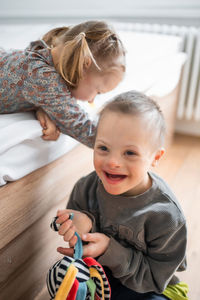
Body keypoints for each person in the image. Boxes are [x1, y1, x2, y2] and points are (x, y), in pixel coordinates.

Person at [54, 90, 188, 300]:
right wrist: (77, 226)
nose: (113, 162)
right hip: (100, 278)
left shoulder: (167, 216)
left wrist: (109, 249)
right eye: (104, 148)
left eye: (130, 153)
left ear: (155, 157)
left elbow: (155, 278)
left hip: (149, 288)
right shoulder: (86, 188)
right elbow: (80, 251)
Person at [0, 20, 125, 146]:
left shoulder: (41, 52)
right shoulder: (44, 78)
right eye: (98, 92)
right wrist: (123, 144)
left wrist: (41, 107)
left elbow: (27, 85)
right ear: (83, 67)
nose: (91, 100)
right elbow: (83, 128)